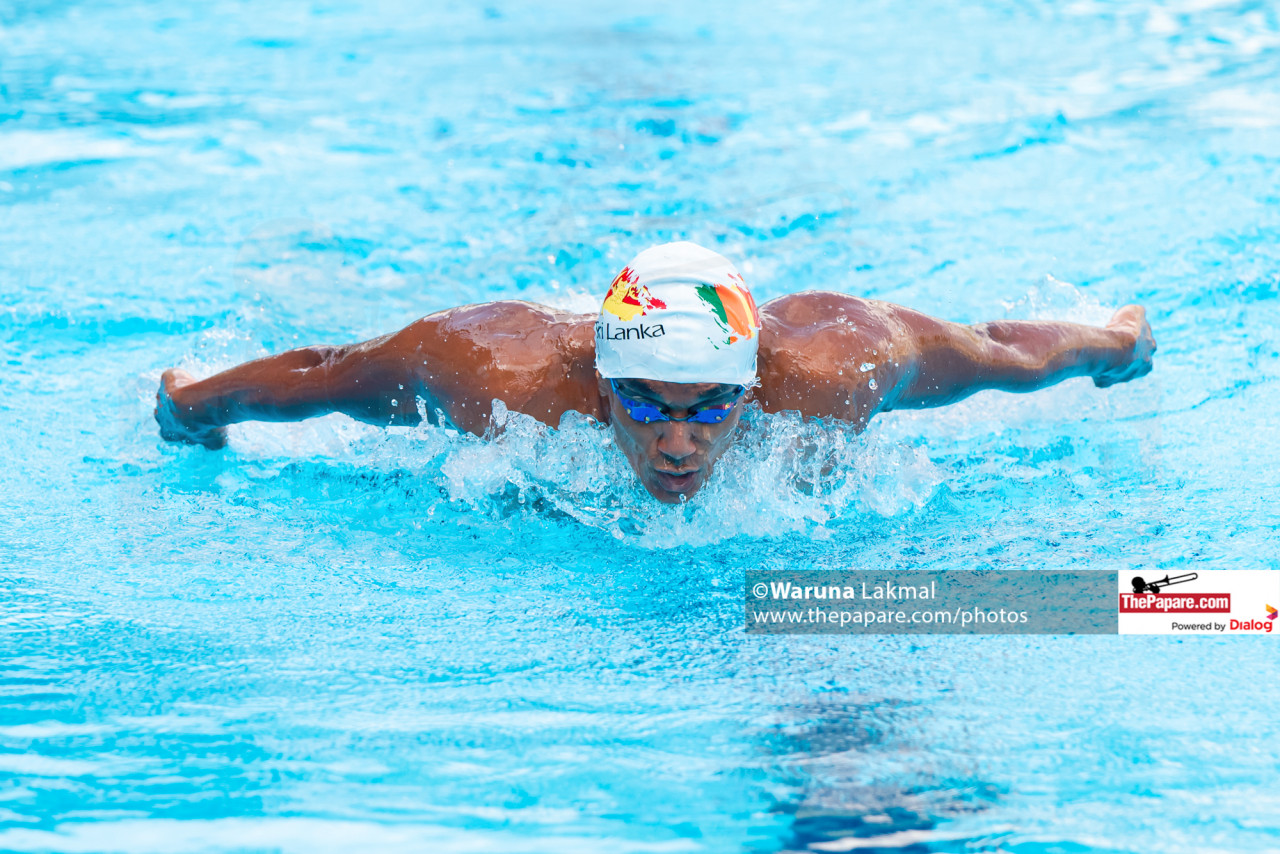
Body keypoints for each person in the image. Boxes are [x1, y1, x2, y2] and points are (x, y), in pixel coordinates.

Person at [155, 241, 1156, 503]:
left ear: (750, 388)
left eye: (709, 409)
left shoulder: (836, 364)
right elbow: (334, 371)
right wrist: (195, 405)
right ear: (600, 387)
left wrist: (1112, 346)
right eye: (644, 406)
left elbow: (1001, 352)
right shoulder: (496, 373)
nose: (678, 442)